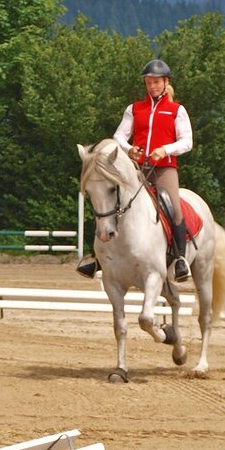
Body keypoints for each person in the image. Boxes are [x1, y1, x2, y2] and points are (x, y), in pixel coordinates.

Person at [77, 59, 193, 282]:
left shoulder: (176, 110)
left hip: (164, 168)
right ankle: (97, 258)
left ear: (165, 82)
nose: (152, 86)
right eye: (149, 82)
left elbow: (186, 142)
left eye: (156, 82)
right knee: (107, 202)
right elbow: (119, 136)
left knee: (174, 209)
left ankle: (180, 259)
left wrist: (165, 149)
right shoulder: (134, 109)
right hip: (137, 168)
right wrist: (130, 150)